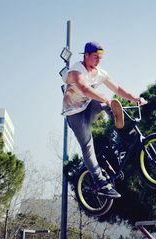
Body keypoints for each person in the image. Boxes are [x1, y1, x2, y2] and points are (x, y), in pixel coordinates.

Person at [62, 41, 147, 198]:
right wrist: (107, 100)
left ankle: (121, 126)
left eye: (100, 58)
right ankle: (100, 182)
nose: (98, 61)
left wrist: (135, 98)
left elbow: (118, 89)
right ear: (86, 55)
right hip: (74, 114)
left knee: (104, 100)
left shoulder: (100, 72)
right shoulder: (76, 70)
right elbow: (85, 89)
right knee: (88, 146)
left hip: (89, 107)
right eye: (95, 57)